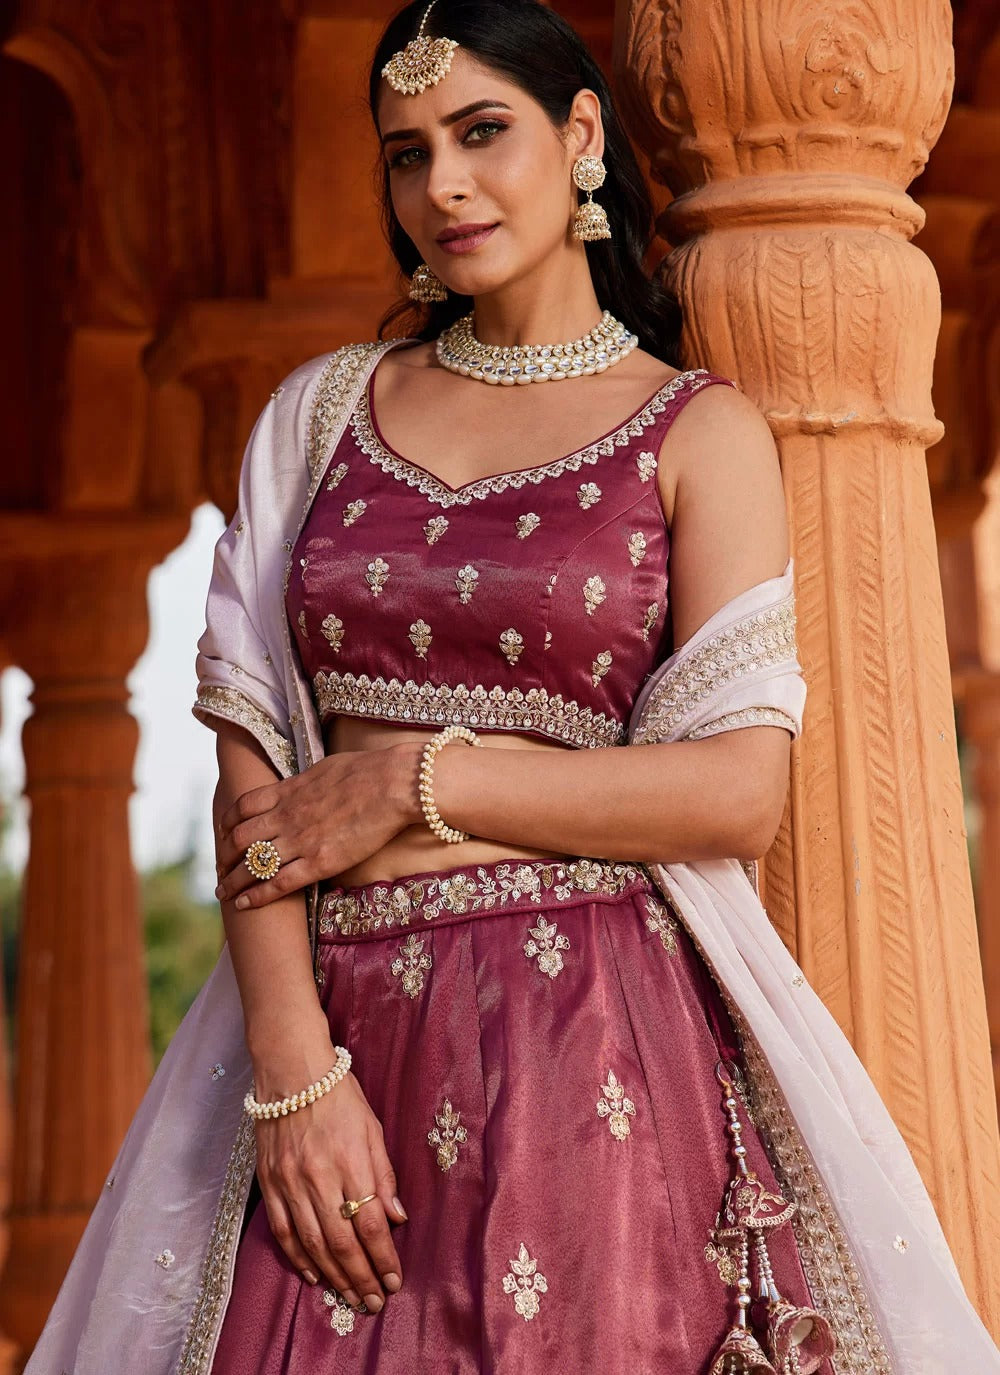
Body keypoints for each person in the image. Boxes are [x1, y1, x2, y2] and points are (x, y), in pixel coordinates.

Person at [24, 2, 1000, 1373]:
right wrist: (296, 1080)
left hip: (594, 1054)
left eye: (485, 133)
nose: (446, 188)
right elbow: (253, 766)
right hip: (333, 1036)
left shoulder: (693, 429)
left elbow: (738, 790)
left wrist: (413, 776)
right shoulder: (319, 414)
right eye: (408, 153)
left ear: (581, 133)